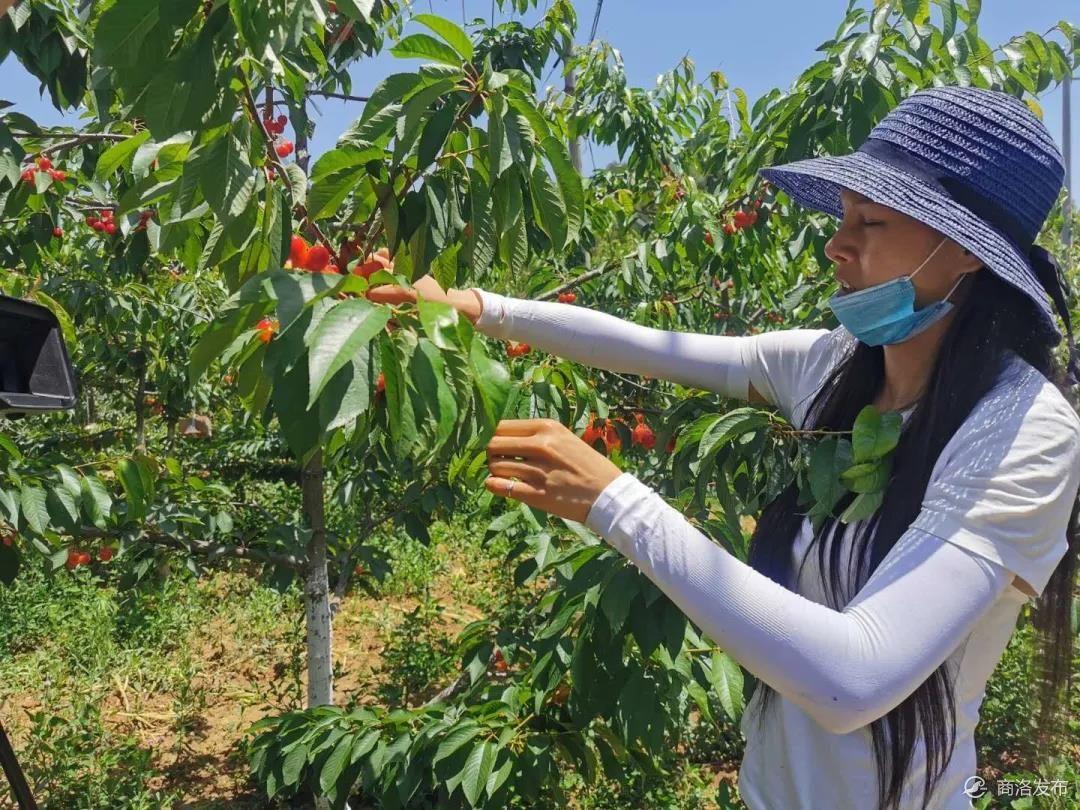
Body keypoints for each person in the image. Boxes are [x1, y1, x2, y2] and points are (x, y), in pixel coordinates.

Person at [366, 86, 1080, 810]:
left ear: (961, 252)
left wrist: (615, 503)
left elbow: (854, 679)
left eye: (871, 219)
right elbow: (650, 347)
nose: (837, 242)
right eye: (842, 214)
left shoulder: (1022, 431)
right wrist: (481, 308)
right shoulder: (835, 367)